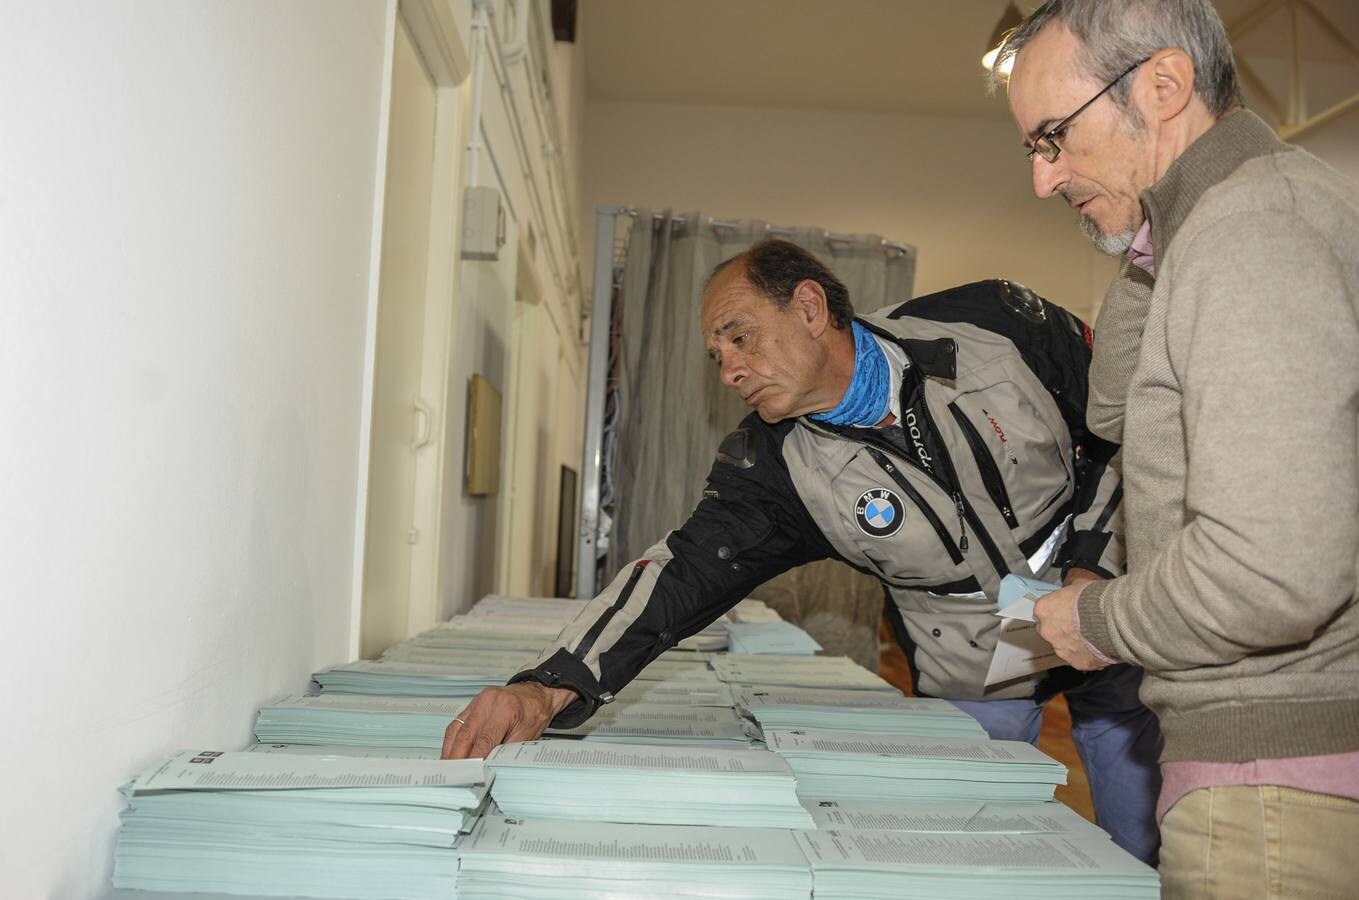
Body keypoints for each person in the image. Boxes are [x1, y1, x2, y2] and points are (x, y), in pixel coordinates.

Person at [443, 239, 1162, 864]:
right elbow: (676, 576)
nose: (727, 369)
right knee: (971, 840)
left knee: (1143, 830)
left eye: (739, 337)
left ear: (810, 309)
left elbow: (1123, 429)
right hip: (971, 654)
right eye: (716, 353)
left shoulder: (994, 322)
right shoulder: (773, 471)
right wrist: (544, 685)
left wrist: (1090, 565)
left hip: (1100, 591)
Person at [993, 1, 1359, 895]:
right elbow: (1115, 409)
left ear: (1161, 86)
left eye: (1054, 138)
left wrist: (1095, 622)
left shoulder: (1252, 229)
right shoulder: (1216, 227)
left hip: (1273, 787)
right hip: (1258, 774)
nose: (1045, 180)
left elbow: (1271, 575)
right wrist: (1148, 233)